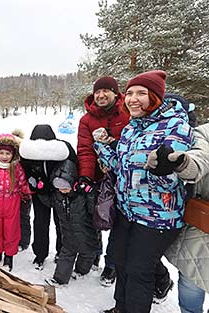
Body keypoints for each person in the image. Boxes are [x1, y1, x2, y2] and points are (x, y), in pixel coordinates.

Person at [93, 70, 193, 313]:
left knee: (139, 271)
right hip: (128, 210)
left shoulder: (176, 127)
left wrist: (161, 170)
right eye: (129, 93)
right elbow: (120, 167)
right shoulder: (130, 128)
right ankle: (120, 308)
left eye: (141, 93)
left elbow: (171, 183)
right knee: (121, 263)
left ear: (156, 97)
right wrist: (102, 146)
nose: (132, 98)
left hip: (157, 216)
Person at [146, 123, 209, 313]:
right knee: (193, 283)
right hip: (203, 229)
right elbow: (200, 157)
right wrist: (183, 164)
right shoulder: (205, 132)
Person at [76, 76, 129, 286]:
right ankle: (94, 254)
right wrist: (86, 176)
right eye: (98, 91)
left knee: (119, 223)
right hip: (99, 179)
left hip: (124, 178)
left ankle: (111, 265)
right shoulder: (86, 120)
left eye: (106, 90)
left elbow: (132, 142)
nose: (101, 95)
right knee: (95, 218)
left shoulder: (127, 112)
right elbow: (85, 150)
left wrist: (112, 141)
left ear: (115, 93)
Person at [44, 137, 100, 287]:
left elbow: (93, 208)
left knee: (88, 252)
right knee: (66, 254)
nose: (62, 190)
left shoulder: (81, 195)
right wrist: (41, 190)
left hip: (86, 232)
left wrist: (90, 192)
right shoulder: (57, 196)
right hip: (68, 233)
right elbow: (49, 203)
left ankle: (82, 270)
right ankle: (60, 279)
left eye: (65, 187)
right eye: (59, 187)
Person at [19, 124, 70, 270]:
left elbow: (72, 164)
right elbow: (24, 168)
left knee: (60, 223)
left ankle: (61, 251)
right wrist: (33, 182)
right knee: (41, 222)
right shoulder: (29, 152)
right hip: (40, 192)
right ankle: (40, 254)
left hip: (59, 191)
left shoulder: (61, 148)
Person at [0, 133, 30, 272]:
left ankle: (9, 256)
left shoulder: (16, 168)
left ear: (13, 154)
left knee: (11, 230)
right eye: (2, 153)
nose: (4, 156)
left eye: (8, 154)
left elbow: (23, 184)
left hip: (12, 203)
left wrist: (32, 189)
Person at [12, 128, 32, 251]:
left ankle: (24, 241)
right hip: (11, 194)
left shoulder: (25, 161)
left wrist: (24, 190)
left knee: (24, 217)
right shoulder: (7, 162)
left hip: (24, 194)